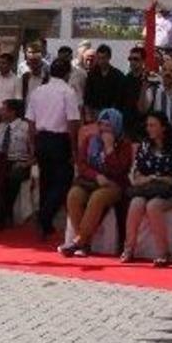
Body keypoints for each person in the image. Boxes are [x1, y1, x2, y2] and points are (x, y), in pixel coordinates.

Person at [58, 108, 133, 257]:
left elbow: (120, 169)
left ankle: (78, 241)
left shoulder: (124, 145)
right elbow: (82, 164)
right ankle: (84, 243)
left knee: (98, 198)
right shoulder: (90, 140)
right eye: (102, 125)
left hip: (114, 184)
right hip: (91, 181)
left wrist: (110, 149)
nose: (104, 129)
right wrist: (96, 175)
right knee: (74, 195)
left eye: (108, 126)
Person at [121, 111, 172, 266]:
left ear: (163, 127)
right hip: (147, 188)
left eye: (152, 125)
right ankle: (129, 248)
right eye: (148, 125)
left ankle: (164, 253)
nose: (149, 129)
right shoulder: (144, 146)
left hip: (168, 192)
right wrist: (154, 178)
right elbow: (137, 176)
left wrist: (152, 177)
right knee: (136, 203)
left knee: (153, 206)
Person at [26, 58, 81, 238]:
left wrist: (33, 146)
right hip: (60, 139)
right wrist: (74, 149)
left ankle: (45, 224)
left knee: (46, 182)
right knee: (64, 180)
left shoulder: (38, 91)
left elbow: (31, 122)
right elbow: (73, 122)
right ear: (67, 74)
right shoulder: (68, 92)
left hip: (42, 138)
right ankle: (44, 216)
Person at [0, 99, 32, 226]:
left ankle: (5, 214)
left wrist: (26, 163)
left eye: (3, 109)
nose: (0, 112)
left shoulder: (25, 128)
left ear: (12, 112)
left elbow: (35, 152)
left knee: (12, 177)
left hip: (20, 163)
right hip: (1, 162)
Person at [83, 44, 126, 120]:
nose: (101, 61)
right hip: (94, 112)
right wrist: (88, 114)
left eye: (103, 58)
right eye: (99, 58)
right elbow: (87, 96)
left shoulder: (118, 75)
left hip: (111, 112)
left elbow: (120, 97)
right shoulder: (92, 75)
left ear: (109, 58)